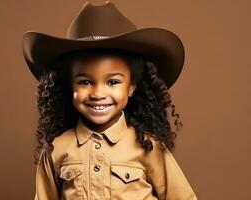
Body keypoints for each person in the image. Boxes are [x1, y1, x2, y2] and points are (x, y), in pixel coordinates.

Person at [22, 1, 197, 200]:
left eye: (113, 82)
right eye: (85, 81)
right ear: (70, 86)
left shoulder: (149, 147)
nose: (98, 93)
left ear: (131, 87)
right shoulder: (57, 149)